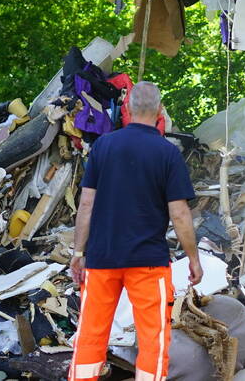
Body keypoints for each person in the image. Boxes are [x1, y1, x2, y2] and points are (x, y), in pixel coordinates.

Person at [68, 81, 202, 381]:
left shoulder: (103, 146)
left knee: (90, 334)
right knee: (153, 339)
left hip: (102, 259)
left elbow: (86, 204)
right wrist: (193, 259)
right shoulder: (167, 153)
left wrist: (78, 252)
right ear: (159, 111)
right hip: (149, 263)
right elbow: (179, 213)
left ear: (126, 108)